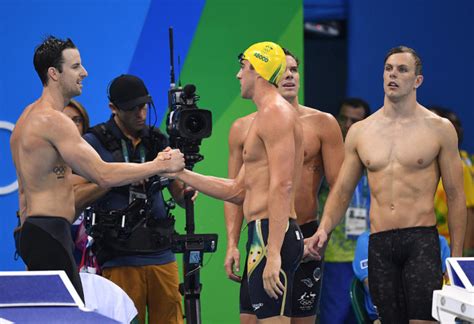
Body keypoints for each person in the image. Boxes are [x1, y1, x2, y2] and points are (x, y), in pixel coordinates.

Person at [10, 36, 185, 303]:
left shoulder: (27, 117)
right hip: (49, 232)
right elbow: (101, 174)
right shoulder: (53, 121)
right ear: (54, 74)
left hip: (38, 232)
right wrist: (159, 165)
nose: (85, 72)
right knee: (65, 318)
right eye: (76, 66)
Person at [305, 46, 467, 323]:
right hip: (379, 243)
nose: (393, 74)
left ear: (418, 80)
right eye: (388, 68)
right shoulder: (360, 132)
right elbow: (342, 189)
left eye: (402, 69)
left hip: (420, 241)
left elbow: (455, 196)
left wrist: (456, 260)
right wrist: (324, 229)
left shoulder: (439, 129)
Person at [165, 41, 304, 323]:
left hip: (270, 235)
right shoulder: (262, 118)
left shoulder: (275, 113)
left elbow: (283, 185)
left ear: (259, 71)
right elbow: (238, 190)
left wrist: (274, 252)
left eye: (243, 68)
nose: (238, 76)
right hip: (260, 235)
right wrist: (180, 173)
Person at [223, 48, 344, 324]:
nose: (289, 75)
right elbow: (235, 191)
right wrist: (232, 243)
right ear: (269, 74)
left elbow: (340, 187)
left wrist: (323, 232)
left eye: (294, 70)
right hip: (262, 235)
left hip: (306, 235)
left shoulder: (323, 124)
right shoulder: (242, 128)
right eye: (283, 69)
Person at [72, 74, 187, 324]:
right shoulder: (93, 142)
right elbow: (75, 198)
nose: (141, 114)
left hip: (162, 255)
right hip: (118, 256)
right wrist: (116, 178)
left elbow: (180, 197)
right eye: (132, 109)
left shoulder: (158, 141)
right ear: (113, 108)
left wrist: (186, 184)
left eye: (144, 106)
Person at [318, 98, 371, 324]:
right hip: (334, 256)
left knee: (367, 317)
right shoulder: (325, 155)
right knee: (334, 319)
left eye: (355, 120)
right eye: (344, 118)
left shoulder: (374, 156)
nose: (347, 124)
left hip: (370, 255)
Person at [352, 230, 451, 322]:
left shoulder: (438, 240)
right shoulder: (367, 240)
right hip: (385, 315)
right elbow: (376, 289)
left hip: (434, 314)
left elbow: (448, 285)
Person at [428, 107, 474, 256]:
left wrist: (464, 252)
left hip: (447, 246)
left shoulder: (459, 165)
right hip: (418, 243)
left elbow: (468, 211)